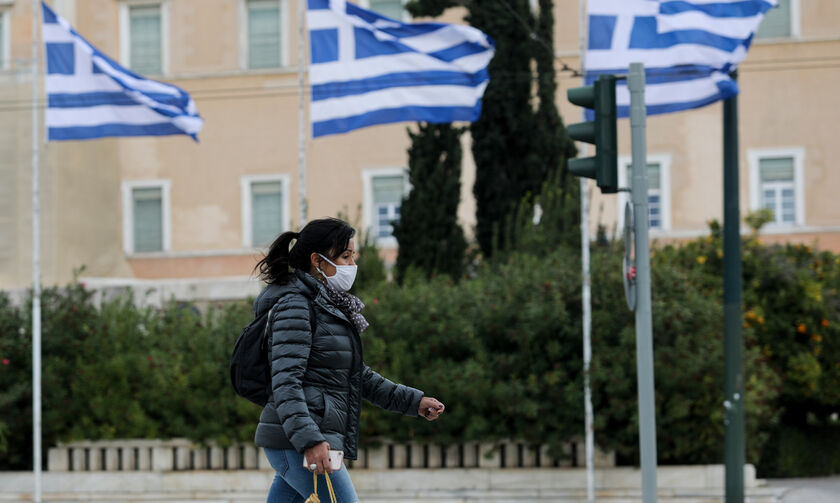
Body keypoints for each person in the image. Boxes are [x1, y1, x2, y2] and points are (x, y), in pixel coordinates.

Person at [252, 217, 445, 503]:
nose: (352, 264)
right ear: (317, 260)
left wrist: (412, 401)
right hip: (296, 439)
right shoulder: (296, 306)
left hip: (302, 437)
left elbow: (356, 375)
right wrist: (311, 440)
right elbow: (286, 383)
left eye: (352, 255)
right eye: (344, 256)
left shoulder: (324, 305)